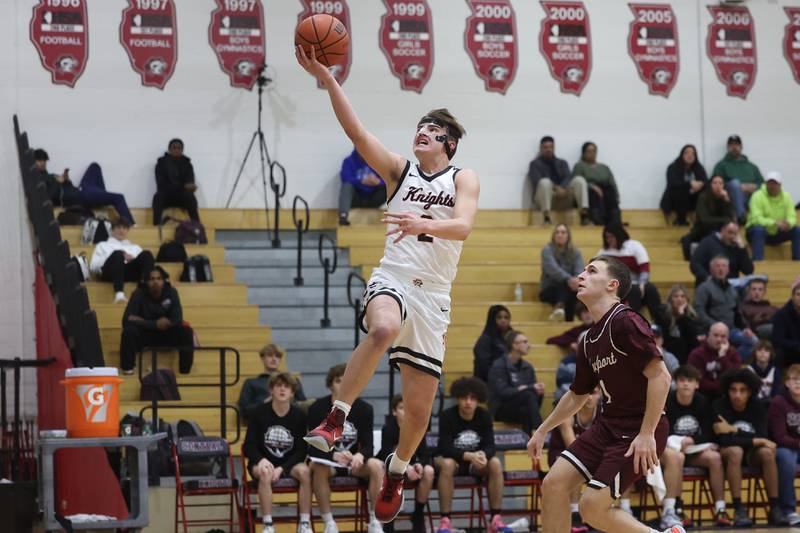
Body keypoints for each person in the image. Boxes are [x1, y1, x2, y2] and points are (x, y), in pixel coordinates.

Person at [296, 43, 480, 524]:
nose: (423, 133)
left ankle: (398, 470)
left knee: (418, 413)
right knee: (381, 329)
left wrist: (423, 224)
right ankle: (337, 416)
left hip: (435, 294)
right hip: (394, 277)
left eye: (434, 131)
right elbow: (356, 132)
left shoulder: (464, 178)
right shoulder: (400, 170)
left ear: (450, 144)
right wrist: (329, 79)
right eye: (421, 128)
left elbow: (462, 227)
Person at [527, 256, 677, 533]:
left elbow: (661, 376)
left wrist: (646, 433)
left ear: (612, 285)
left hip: (638, 430)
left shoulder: (626, 321)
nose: (581, 275)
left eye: (591, 271)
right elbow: (577, 395)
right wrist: (542, 430)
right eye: (583, 270)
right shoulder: (588, 339)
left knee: (591, 507)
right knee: (553, 484)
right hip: (607, 426)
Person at [307, 365, 385, 533]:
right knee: (318, 467)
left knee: (376, 466)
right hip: (330, 463)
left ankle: (374, 520)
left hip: (353, 464)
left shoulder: (364, 409)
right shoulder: (317, 408)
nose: (343, 385)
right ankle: (329, 523)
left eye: (347, 381)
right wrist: (334, 455)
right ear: (330, 384)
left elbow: (369, 445)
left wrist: (359, 456)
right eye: (338, 381)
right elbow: (312, 448)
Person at [435, 377, 512, 533]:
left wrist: (483, 454)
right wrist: (469, 455)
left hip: (475, 464)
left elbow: (491, 445)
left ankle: (496, 518)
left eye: (472, 398)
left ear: (479, 400)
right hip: (453, 461)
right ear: (458, 398)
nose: (468, 402)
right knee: (448, 464)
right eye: (464, 398)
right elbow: (444, 448)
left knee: (495, 463)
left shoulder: (484, 416)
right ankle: (445, 520)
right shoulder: (447, 416)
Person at [712, 368, 788, 526]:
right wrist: (754, 440)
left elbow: (763, 437)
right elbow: (724, 441)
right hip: (728, 455)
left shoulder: (758, 406)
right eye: (733, 390)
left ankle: (774, 508)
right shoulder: (719, 405)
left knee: (767, 453)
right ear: (728, 390)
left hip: (753, 455)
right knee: (736, 451)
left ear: (750, 392)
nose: (737, 395)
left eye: (742, 390)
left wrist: (734, 430)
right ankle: (739, 509)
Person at [661, 365, 730, 528]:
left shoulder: (703, 402)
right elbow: (662, 430)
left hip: (693, 449)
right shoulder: (667, 400)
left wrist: (692, 440)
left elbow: (709, 433)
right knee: (677, 457)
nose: (685, 384)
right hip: (671, 450)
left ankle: (721, 509)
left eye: (690, 381)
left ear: (697, 384)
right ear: (676, 383)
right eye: (682, 380)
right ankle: (676, 508)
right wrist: (678, 441)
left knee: (715, 458)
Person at [243, 372, 312, 533]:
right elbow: (249, 446)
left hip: (288, 463)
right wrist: (261, 460)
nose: (282, 389)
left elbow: (301, 451)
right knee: (265, 472)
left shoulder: (299, 416)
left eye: (286, 387)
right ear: (271, 390)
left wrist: (283, 469)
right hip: (262, 462)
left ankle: (304, 523)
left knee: (306, 472)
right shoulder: (258, 413)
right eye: (278, 386)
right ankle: (268, 525)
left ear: (292, 392)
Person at [119, 265, 193, 375]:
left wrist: (141, 321)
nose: (156, 282)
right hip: (145, 335)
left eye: (159, 279)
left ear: (164, 280)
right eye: (152, 279)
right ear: (146, 282)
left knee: (186, 332)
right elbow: (126, 320)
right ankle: (127, 369)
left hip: (166, 334)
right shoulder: (138, 293)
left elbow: (177, 319)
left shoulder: (171, 292)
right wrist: (155, 324)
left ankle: (185, 373)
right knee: (128, 332)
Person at [376, 395, 434, 533]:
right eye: (402, 408)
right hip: (392, 469)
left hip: (413, 468)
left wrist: (420, 464)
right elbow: (386, 454)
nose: (406, 412)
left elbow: (425, 454)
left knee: (429, 471)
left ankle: (418, 514)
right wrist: (405, 467)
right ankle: (389, 517)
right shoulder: (388, 429)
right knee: (383, 468)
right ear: (394, 412)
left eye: (408, 408)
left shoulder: (418, 428)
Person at [547, 387, 601, 533]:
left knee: (618, 462)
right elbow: (573, 446)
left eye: (593, 393)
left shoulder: (604, 412)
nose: (589, 397)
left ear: (600, 394)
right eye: (586, 393)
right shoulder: (568, 411)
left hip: (591, 454)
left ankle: (611, 510)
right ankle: (574, 512)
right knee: (575, 465)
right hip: (562, 452)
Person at [33, 149, 136, 224]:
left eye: (44, 161)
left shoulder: (48, 175)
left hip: (81, 190)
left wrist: (67, 180)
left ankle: (101, 198)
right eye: (39, 160)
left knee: (94, 166)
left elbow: (68, 189)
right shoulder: (39, 179)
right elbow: (51, 196)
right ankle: (132, 225)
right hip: (81, 197)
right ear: (34, 161)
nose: (42, 163)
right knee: (118, 197)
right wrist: (57, 182)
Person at [693, 255, 756, 359]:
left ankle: (727, 362)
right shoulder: (704, 288)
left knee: (753, 341)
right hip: (712, 331)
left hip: (731, 330)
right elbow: (699, 311)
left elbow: (737, 312)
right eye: (717, 266)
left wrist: (745, 328)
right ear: (711, 269)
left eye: (724, 266)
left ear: (728, 269)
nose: (721, 269)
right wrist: (715, 326)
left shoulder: (732, 289)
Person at [597, 222, 661, 319]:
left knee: (651, 289)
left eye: (611, 237)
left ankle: (658, 322)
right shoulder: (603, 252)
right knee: (633, 289)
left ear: (618, 235)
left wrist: (642, 283)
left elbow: (644, 268)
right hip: (614, 287)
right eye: (606, 237)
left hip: (637, 284)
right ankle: (632, 323)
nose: (608, 240)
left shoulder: (634, 246)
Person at [488, 331, 545, 434]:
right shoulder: (498, 365)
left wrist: (538, 391)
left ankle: (529, 443)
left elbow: (533, 396)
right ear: (514, 345)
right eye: (525, 342)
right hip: (502, 409)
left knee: (526, 408)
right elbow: (501, 392)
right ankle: (540, 431)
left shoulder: (528, 367)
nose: (529, 345)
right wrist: (522, 389)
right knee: (528, 395)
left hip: (522, 408)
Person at [90, 218, 155, 303]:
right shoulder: (102, 245)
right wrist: (114, 257)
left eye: (124, 228)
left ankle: (143, 289)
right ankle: (119, 293)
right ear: (112, 230)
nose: (121, 230)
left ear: (127, 230)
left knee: (147, 254)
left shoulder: (135, 247)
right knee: (118, 254)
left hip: (129, 273)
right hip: (110, 273)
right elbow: (93, 267)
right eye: (118, 227)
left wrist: (133, 259)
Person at [528, 136, 590, 226]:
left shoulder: (562, 163)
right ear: (541, 148)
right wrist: (557, 188)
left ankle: (584, 216)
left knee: (579, 180)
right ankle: (547, 218)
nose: (549, 150)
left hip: (563, 197)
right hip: (545, 198)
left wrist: (563, 188)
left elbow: (568, 177)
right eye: (546, 147)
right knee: (545, 182)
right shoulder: (534, 164)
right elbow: (537, 181)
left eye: (551, 147)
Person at [238, 344, 308, 421]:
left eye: (277, 356)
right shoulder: (251, 382)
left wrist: (287, 401)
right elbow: (243, 411)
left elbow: (303, 407)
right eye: (270, 355)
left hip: (290, 419)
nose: (274, 359)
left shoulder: (293, 380)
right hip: (262, 420)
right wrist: (264, 402)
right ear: (262, 358)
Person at [768, 364, 800, 526]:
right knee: (786, 458)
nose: (799, 383)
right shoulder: (779, 402)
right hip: (784, 447)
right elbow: (779, 437)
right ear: (787, 382)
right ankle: (789, 510)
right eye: (795, 379)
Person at [745, 171, 800, 261]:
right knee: (759, 230)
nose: (772, 186)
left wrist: (788, 223)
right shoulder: (757, 196)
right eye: (770, 183)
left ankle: (797, 262)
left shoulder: (786, 196)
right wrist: (775, 223)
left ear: (780, 185)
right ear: (766, 184)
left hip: (777, 232)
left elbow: (792, 216)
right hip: (756, 232)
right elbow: (756, 219)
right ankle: (758, 262)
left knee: (797, 231)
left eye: (775, 183)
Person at [680, 175, 736, 260]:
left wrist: (727, 200)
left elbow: (731, 218)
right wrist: (725, 220)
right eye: (715, 183)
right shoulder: (703, 197)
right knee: (687, 240)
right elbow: (704, 219)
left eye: (720, 183)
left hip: (721, 230)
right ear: (710, 185)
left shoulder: (727, 198)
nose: (718, 185)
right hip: (703, 229)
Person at [711, 135, 763, 222]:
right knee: (735, 183)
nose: (734, 147)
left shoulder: (752, 167)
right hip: (731, 198)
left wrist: (754, 187)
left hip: (751, 197)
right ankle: (741, 216)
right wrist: (738, 187)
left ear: (741, 147)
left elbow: (763, 185)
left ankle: (758, 217)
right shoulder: (721, 165)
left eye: (737, 144)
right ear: (727, 147)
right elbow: (715, 185)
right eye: (731, 145)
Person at [686, 322, 742, 400]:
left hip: (727, 398)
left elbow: (736, 377)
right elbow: (698, 381)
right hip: (703, 396)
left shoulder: (733, 353)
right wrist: (721, 386)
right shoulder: (697, 354)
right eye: (715, 335)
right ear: (709, 335)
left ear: (727, 338)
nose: (719, 339)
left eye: (723, 336)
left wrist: (723, 358)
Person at [540, 224, 584, 322]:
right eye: (557, 232)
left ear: (568, 236)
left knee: (573, 293)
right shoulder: (547, 250)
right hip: (549, 288)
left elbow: (579, 269)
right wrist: (569, 279)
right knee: (565, 287)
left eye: (563, 232)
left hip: (570, 289)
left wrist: (576, 280)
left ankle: (562, 313)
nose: (560, 235)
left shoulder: (575, 252)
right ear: (553, 236)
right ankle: (562, 312)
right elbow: (553, 270)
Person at [689, 221, 754, 286]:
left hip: (730, 287)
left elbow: (748, 271)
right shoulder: (708, 242)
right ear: (722, 231)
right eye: (730, 232)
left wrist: (742, 249)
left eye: (735, 234)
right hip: (709, 284)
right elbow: (695, 264)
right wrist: (708, 278)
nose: (732, 236)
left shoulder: (737, 247)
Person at [153, 138, 200, 225]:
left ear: (182, 150)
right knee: (157, 197)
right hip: (166, 195)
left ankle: (197, 226)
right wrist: (183, 186)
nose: (176, 150)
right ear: (169, 149)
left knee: (190, 197)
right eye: (174, 148)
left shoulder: (187, 164)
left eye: (179, 148)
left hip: (182, 197)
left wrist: (191, 187)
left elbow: (190, 182)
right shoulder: (161, 163)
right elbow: (161, 185)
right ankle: (156, 226)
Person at [572, 142, 620, 225]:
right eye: (589, 151)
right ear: (584, 153)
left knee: (610, 192)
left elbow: (612, 183)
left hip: (605, 190)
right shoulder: (579, 166)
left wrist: (617, 197)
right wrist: (592, 186)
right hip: (590, 191)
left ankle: (615, 222)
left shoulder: (604, 167)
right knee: (593, 194)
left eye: (594, 151)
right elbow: (576, 182)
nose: (592, 154)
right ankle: (598, 221)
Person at [659, 144, 708, 226]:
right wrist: (690, 184)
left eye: (693, 154)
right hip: (675, 201)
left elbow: (706, 181)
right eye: (687, 153)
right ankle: (681, 221)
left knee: (706, 191)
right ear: (681, 155)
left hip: (692, 200)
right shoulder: (673, 167)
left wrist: (701, 184)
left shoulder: (699, 167)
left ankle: (703, 222)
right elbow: (673, 184)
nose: (690, 155)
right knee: (681, 191)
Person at [655, 285, 704, 365]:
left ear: (687, 300)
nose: (679, 299)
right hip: (667, 350)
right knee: (677, 342)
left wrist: (682, 316)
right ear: (671, 299)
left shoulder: (692, 316)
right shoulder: (662, 313)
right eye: (676, 296)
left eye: (682, 296)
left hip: (686, 353)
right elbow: (663, 336)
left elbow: (693, 340)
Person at [338, 148, 387, 226]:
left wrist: (378, 182)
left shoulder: (376, 161)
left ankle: (393, 216)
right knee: (347, 186)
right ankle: (343, 216)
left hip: (373, 198)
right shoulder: (349, 161)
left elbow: (389, 179)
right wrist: (361, 181)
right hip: (356, 198)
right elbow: (345, 178)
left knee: (387, 187)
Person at [473, 305, 512, 383]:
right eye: (499, 317)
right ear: (492, 319)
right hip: (488, 382)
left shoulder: (512, 337)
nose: (503, 320)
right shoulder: (484, 340)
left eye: (506, 317)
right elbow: (484, 367)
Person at [772, 279, 800, 367]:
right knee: (779, 353)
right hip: (788, 352)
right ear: (792, 296)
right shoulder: (782, 314)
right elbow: (777, 340)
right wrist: (797, 346)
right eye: (798, 294)